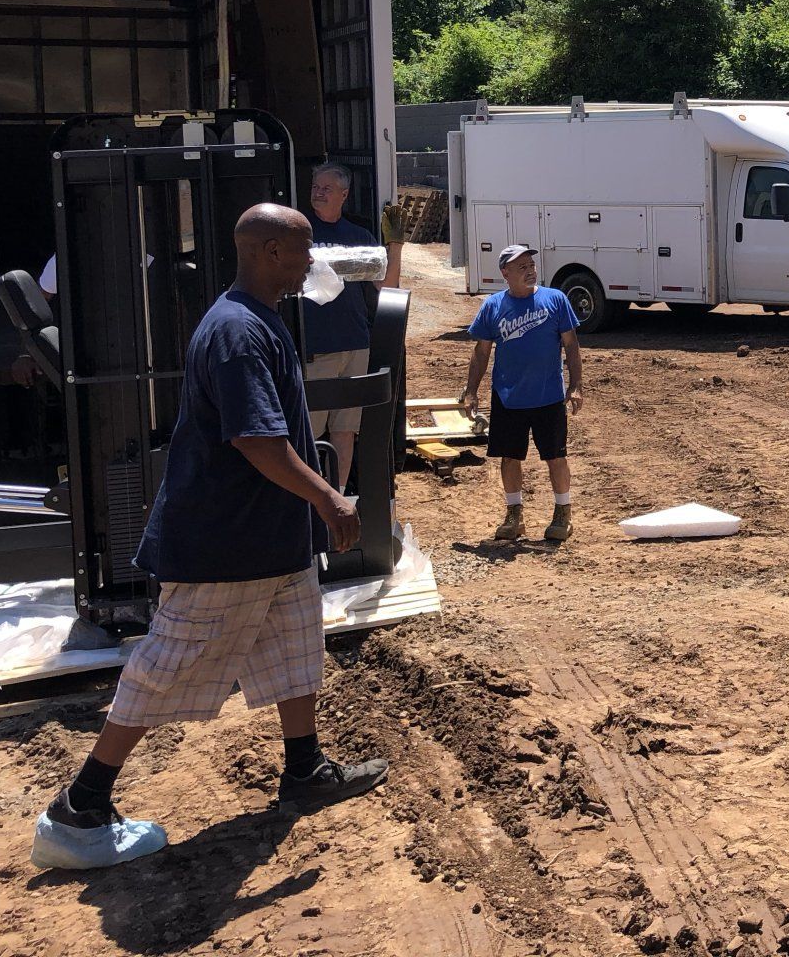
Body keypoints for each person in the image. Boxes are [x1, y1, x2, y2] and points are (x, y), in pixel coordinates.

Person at [31, 203, 388, 871]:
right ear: (265, 250)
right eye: (303, 248)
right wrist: (332, 498)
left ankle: (304, 768)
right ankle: (77, 808)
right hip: (225, 541)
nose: (314, 260)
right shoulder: (236, 333)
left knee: (295, 647)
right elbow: (256, 440)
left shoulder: (264, 320)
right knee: (165, 669)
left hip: (270, 536)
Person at [460, 245, 583, 543]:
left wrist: (576, 385)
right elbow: (482, 351)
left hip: (548, 396)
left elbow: (571, 345)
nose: (530, 270)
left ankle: (562, 512)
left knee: (556, 456)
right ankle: (514, 515)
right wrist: (471, 391)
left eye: (531, 264)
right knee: (510, 457)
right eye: (521, 266)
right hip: (508, 397)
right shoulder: (493, 306)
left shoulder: (555, 300)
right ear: (506, 273)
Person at [301, 162, 403, 484]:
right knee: (310, 434)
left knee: (345, 431)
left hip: (355, 344)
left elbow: (386, 286)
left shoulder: (358, 236)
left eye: (326, 188)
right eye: (315, 186)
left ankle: (339, 497)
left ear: (343, 195)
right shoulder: (300, 233)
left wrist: (395, 245)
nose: (318, 193)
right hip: (316, 347)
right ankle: (313, 502)